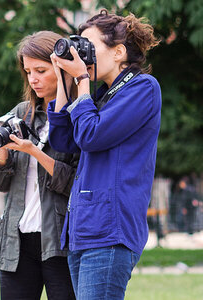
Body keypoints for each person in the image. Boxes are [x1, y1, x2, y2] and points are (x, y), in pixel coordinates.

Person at [47, 9, 161, 299]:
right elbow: (63, 140)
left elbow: (91, 135)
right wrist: (65, 79)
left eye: (89, 47)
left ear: (119, 51)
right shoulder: (100, 95)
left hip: (110, 229)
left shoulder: (143, 88)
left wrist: (82, 80)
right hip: (83, 228)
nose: (83, 56)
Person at [0, 31, 77, 300]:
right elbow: (1, 184)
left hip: (60, 241)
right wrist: (1, 150)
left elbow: (74, 184)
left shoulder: (79, 116)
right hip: (16, 240)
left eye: (41, 70)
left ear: (61, 69)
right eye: (28, 72)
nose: (33, 79)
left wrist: (34, 151)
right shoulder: (22, 112)